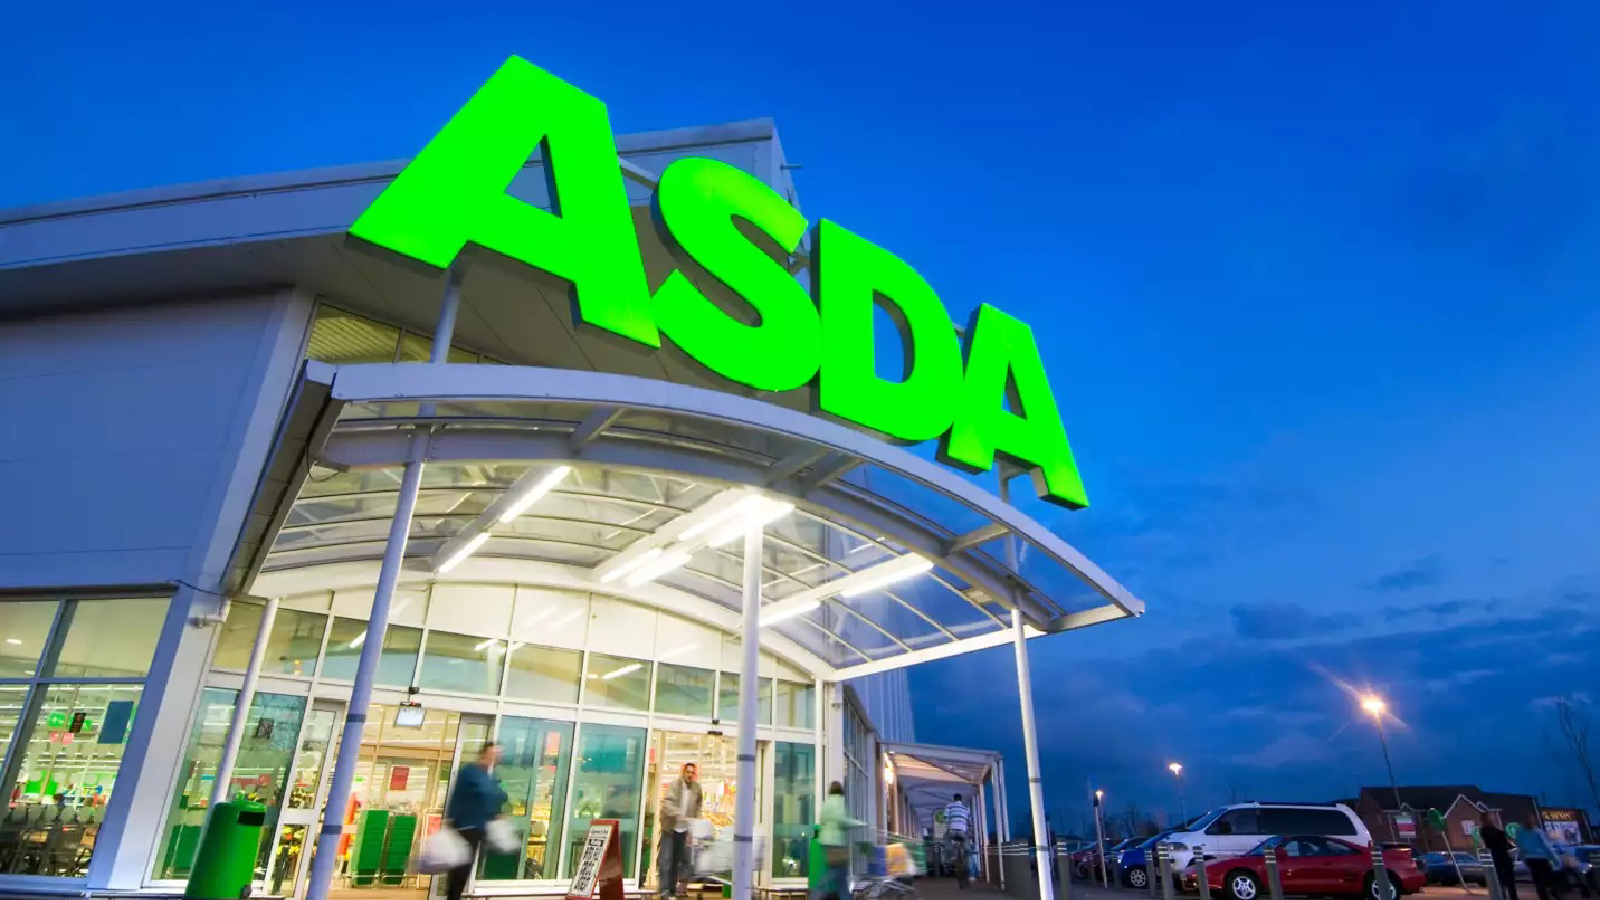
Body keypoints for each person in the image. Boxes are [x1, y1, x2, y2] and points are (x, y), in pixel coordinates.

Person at [443, 742, 508, 900]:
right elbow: (456, 797)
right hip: (466, 827)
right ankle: (453, 896)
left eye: (498, 754)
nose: (497, 756)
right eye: (494, 753)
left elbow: (493, 798)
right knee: (460, 869)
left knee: (466, 867)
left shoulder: (489, 776)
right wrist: (451, 820)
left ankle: (454, 895)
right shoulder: (470, 772)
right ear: (484, 754)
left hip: (480, 829)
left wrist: (497, 813)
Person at [657, 763, 704, 900]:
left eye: (692, 773)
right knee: (665, 860)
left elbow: (698, 805)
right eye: (688, 772)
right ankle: (664, 891)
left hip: (683, 830)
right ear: (683, 773)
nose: (690, 774)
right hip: (670, 828)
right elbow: (667, 804)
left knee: (677, 861)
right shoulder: (674, 786)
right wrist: (678, 814)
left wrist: (695, 821)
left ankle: (671, 891)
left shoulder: (697, 788)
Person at [816, 781, 864, 900]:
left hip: (826, 843)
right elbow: (842, 821)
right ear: (841, 790)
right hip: (837, 844)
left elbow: (821, 821)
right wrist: (860, 823)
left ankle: (842, 897)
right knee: (835, 875)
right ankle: (816, 896)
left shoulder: (826, 803)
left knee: (838, 876)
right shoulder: (839, 802)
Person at [1518, 816, 1559, 900]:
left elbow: (1520, 847)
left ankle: (1543, 897)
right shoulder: (1538, 831)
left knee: (1537, 880)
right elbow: (1546, 846)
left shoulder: (1519, 832)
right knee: (1549, 878)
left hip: (1530, 859)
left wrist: (1524, 860)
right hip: (1542, 858)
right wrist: (1555, 859)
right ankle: (1554, 894)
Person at [1481, 811, 1519, 900]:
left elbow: (1489, 843)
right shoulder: (1495, 830)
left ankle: (1502, 896)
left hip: (1494, 855)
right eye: (1491, 817)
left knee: (1499, 879)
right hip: (1502, 854)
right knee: (1509, 878)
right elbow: (1502, 843)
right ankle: (1513, 897)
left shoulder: (1483, 830)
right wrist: (1510, 845)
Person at [943, 793, 972, 889]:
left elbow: (946, 819)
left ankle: (949, 855)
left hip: (952, 831)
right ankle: (967, 854)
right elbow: (969, 822)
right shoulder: (966, 808)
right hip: (962, 832)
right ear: (961, 799)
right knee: (967, 849)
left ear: (953, 799)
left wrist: (949, 827)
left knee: (945, 838)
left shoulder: (949, 806)